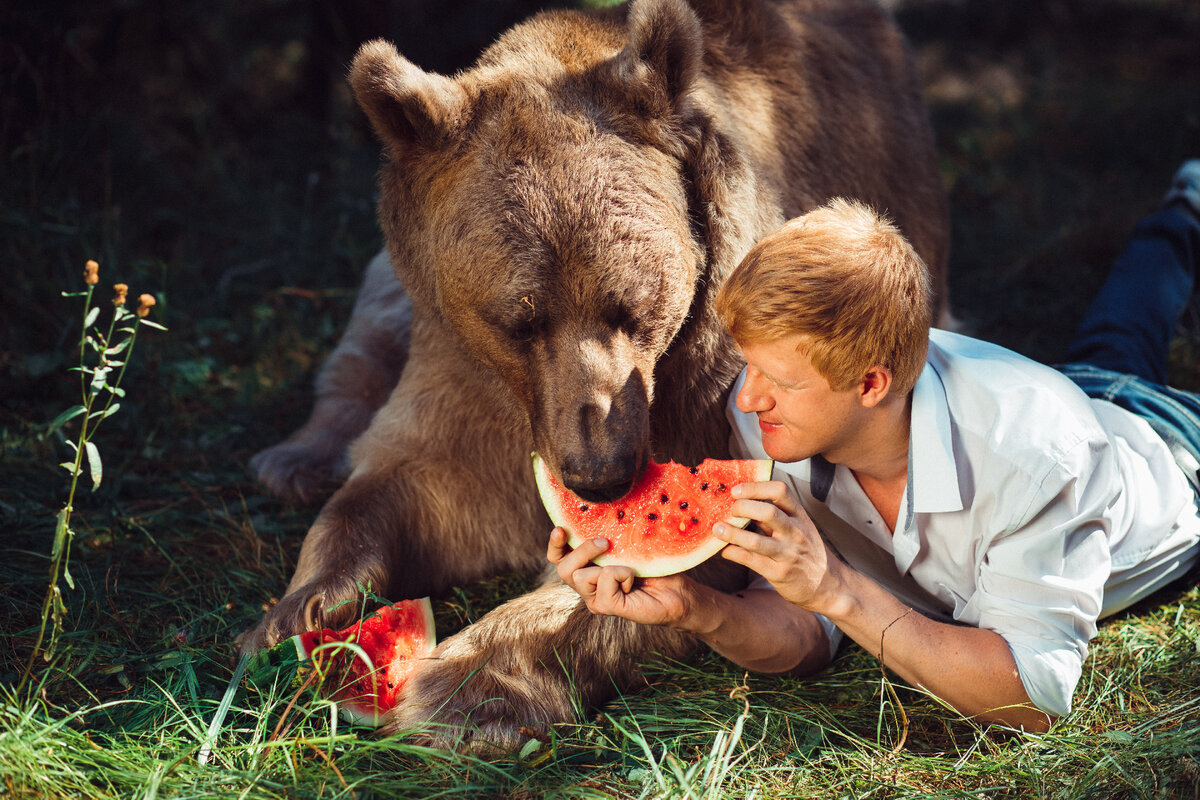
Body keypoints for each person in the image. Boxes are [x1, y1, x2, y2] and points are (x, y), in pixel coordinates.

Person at [548, 161, 1200, 732]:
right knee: (1121, 326)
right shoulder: (774, 425)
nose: (745, 400)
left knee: (1122, 341)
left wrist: (837, 588)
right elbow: (804, 630)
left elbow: (1033, 698)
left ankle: (1184, 213)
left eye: (779, 380)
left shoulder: (1034, 459)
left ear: (870, 383)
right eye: (749, 367)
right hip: (1067, 398)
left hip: (1170, 450)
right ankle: (1185, 211)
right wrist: (697, 608)